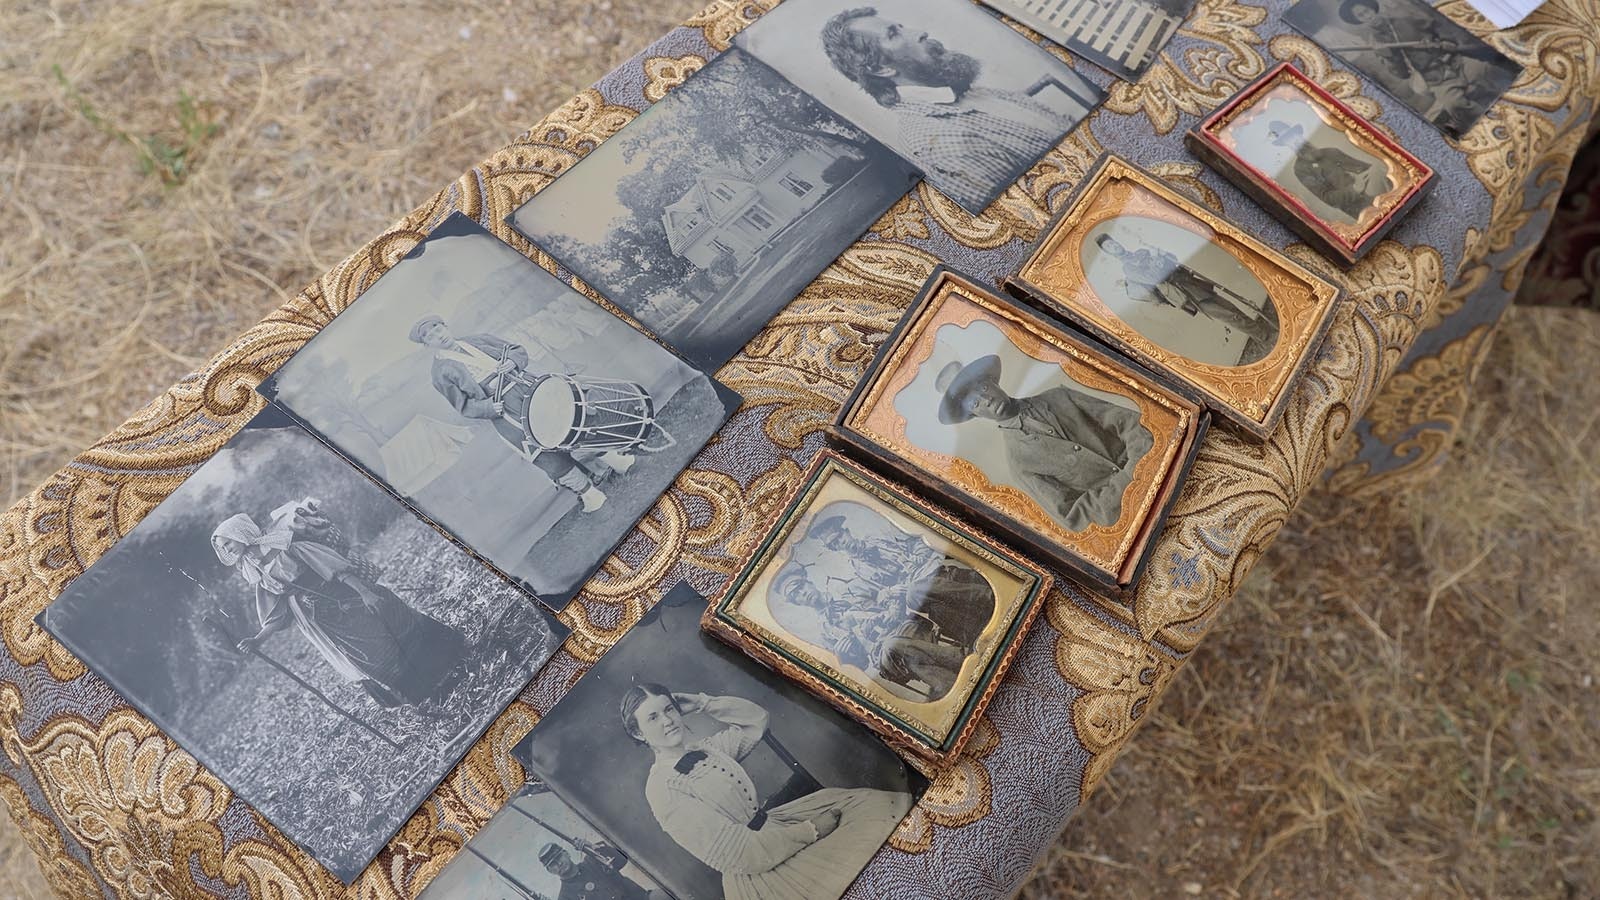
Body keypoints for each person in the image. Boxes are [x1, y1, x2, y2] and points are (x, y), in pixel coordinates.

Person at [622, 685, 912, 900]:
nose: (667, 721)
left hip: (778, 829)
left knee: (874, 812)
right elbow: (740, 854)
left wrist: (702, 702)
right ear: (638, 734)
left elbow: (757, 720)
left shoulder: (706, 750)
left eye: (669, 709)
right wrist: (812, 830)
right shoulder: (663, 789)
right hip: (759, 869)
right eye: (653, 718)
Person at [820, 6, 1090, 209]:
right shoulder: (932, 141)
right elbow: (1034, 210)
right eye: (893, 34)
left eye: (900, 26)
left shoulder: (956, 92)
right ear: (881, 69)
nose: (919, 31)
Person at [212, 501, 467, 708]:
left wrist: (364, 593)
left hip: (340, 596)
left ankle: (448, 665)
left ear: (241, 534)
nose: (228, 550)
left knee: (388, 631)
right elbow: (276, 613)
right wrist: (258, 639)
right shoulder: (253, 570)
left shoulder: (285, 545)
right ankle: (427, 692)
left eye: (228, 542)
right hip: (320, 621)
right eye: (223, 548)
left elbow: (332, 567)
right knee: (367, 656)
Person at [409, 314, 640, 513]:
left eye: (437, 328)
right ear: (426, 345)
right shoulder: (440, 373)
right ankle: (590, 494)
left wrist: (511, 362)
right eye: (430, 336)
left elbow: (516, 350)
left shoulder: (476, 339)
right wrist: (489, 408)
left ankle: (614, 460)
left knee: (572, 422)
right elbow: (463, 406)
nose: (438, 335)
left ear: (445, 326)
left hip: (528, 387)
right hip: (505, 411)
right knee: (540, 450)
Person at [934, 354, 1155, 532]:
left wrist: (1141, 466)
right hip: (1131, 516)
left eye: (983, 389)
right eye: (975, 402)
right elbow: (1075, 517)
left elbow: (1132, 424)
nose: (987, 400)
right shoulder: (1019, 462)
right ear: (974, 414)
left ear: (993, 382)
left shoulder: (1059, 397)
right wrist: (1129, 484)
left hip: (1155, 465)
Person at [1093, 234, 1280, 364]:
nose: (1114, 246)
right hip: (1184, 293)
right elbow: (1154, 278)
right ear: (1108, 253)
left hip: (1190, 281)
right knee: (1229, 316)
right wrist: (1158, 260)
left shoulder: (1142, 252)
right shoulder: (1129, 270)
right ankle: (1265, 337)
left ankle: (1263, 331)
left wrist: (1164, 254)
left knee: (1230, 306)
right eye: (1109, 247)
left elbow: (1173, 259)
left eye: (1113, 242)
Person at [1335, 0, 1506, 133]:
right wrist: (1388, 55)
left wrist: (1444, 42)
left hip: (1455, 60)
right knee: (1455, 105)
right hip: (1436, 78)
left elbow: (1437, 25)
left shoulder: (1403, 18)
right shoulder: (1377, 43)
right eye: (1361, 16)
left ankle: (1507, 104)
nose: (1367, 15)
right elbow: (1401, 74)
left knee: (1492, 71)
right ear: (1359, 21)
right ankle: (1496, 124)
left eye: (1366, 11)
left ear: (1372, 8)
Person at [1265, 120, 1392, 222]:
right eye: (1288, 139)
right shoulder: (1301, 170)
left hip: (1376, 190)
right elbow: (1329, 199)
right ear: (1285, 144)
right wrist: (1355, 188)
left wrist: (1366, 176)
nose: (1294, 141)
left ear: (1299, 134)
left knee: (1379, 167)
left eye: (1293, 135)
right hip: (1360, 208)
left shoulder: (1331, 151)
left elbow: (1367, 169)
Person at [538, 841, 654, 900]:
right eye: (553, 864)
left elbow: (622, 859)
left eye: (558, 857)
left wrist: (594, 848)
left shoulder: (592, 860)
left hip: (640, 898)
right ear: (550, 871)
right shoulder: (565, 897)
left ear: (566, 853)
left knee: (663, 895)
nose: (559, 864)